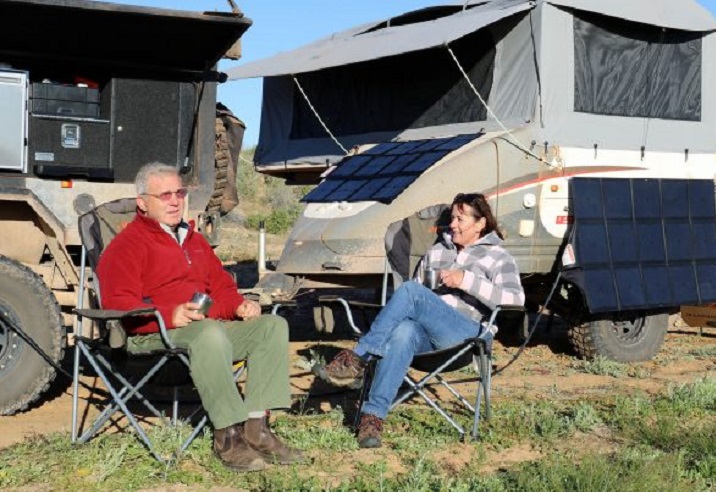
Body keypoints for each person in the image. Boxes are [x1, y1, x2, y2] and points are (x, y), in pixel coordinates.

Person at [97, 162, 303, 472]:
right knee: (209, 333)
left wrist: (237, 305)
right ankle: (228, 437)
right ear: (142, 202)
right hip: (152, 334)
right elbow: (117, 303)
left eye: (178, 192)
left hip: (205, 331)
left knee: (272, 327)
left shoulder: (193, 240)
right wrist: (169, 315)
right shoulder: (127, 245)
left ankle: (257, 430)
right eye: (164, 195)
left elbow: (220, 286)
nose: (174, 200)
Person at [313, 193, 525, 448]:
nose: (453, 224)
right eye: (452, 218)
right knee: (403, 330)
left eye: (461, 219)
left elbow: (516, 300)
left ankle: (359, 357)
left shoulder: (498, 257)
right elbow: (413, 299)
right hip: (427, 338)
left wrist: (466, 281)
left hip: (468, 335)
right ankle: (372, 419)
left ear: (480, 224)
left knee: (411, 292)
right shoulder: (436, 252)